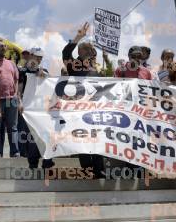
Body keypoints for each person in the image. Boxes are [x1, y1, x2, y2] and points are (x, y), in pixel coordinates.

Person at [62, 22, 114, 178]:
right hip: (78, 111)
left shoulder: (97, 71)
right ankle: (87, 170)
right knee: (81, 140)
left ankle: (99, 170)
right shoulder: (74, 66)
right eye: (85, 49)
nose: (89, 51)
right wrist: (78, 37)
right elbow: (65, 53)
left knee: (97, 140)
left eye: (90, 49)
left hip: (95, 112)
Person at [18, 47, 54, 169]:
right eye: (36, 56)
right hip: (28, 110)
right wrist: (20, 102)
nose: (38, 59)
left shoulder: (45, 71)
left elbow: (51, 86)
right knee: (30, 136)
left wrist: (45, 76)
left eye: (40, 58)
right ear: (30, 56)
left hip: (42, 110)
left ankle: (47, 162)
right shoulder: (21, 71)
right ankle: (33, 163)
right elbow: (18, 89)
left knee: (45, 135)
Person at [0, 40, 21, 158]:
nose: (3, 47)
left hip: (12, 99)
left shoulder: (12, 63)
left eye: (4, 45)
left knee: (13, 126)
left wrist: (17, 94)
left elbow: (16, 80)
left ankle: (15, 152)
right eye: (0, 45)